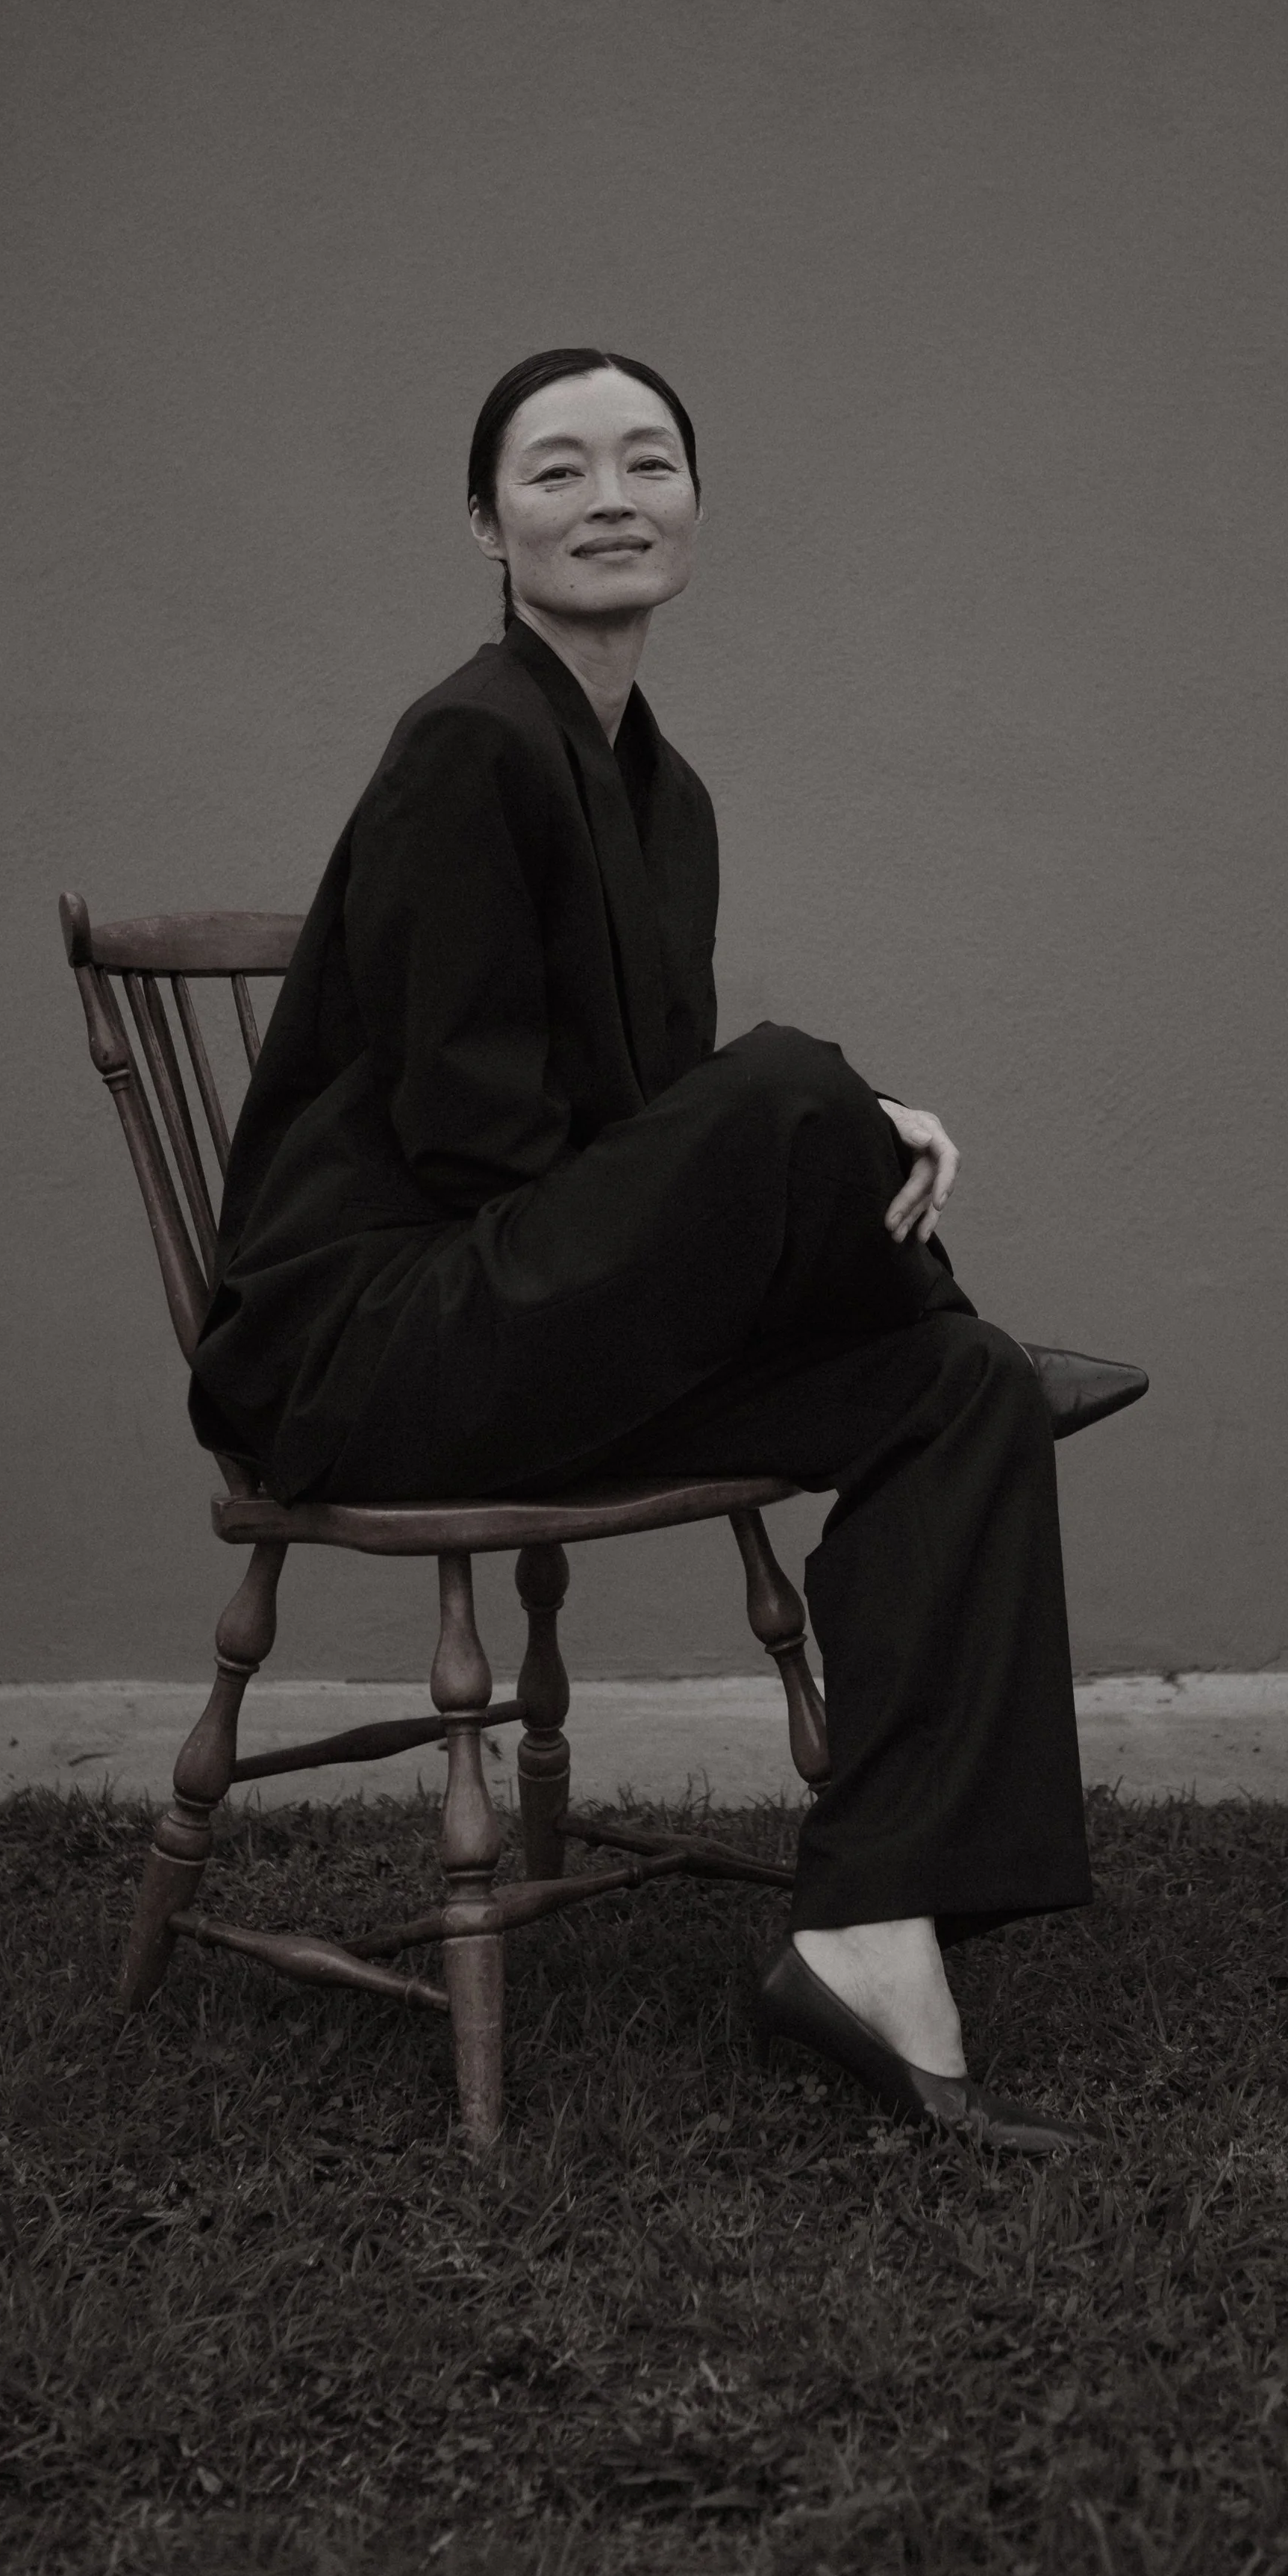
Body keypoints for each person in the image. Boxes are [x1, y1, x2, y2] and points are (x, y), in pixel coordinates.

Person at [190, 348, 1145, 2153]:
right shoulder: (469, 742)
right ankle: (920, 1266)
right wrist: (819, 1141)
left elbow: (629, 1135)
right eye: (555, 471)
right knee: (794, 1087)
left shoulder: (662, 792)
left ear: (696, 512)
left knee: (948, 1398)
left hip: (533, 1318)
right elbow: (482, 1139)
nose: (609, 495)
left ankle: (869, 1935)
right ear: (485, 521)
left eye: (647, 462)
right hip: (385, 1342)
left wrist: (738, 1171)